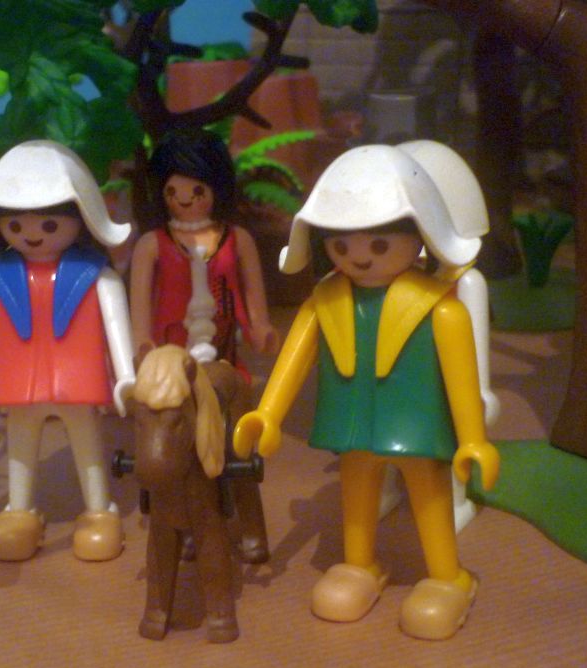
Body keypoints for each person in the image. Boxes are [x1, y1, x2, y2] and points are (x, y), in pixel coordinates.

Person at [233, 141, 500, 639]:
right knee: (355, 492)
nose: (358, 257)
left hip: (417, 428)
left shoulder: (441, 308)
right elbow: (294, 360)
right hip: (354, 427)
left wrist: (472, 438)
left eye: (378, 245)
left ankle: (448, 576)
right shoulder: (325, 301)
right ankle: (359, 564)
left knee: (429, 498)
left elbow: (462, 376)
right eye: (342, 245)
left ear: (421, 235)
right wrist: (267, 414)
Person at [0, 140, 135, 563]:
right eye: (15, 223)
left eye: (48, 224)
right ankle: (20, 511)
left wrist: (126, 378)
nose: (31, 234)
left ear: (82, 217)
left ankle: (99, 511)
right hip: (19, 386)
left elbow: (118, 333)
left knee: (87, 448)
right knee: (20, 450)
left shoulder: (100, 279)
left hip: (78, 385)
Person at [130, 128, 277, 375]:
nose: (184, 199)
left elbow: (253, 294)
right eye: (171, 191)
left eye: (198, 190)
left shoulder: (237, 239)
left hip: (224, 339)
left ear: (217, 187)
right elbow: (141, 305)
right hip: (171, 341)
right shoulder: (151, 244)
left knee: (224, 382)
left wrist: (261, 327)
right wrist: (141, 340)